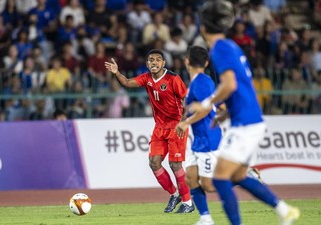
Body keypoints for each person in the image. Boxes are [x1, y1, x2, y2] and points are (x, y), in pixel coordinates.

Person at [188, 1, 300, 225]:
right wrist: (225, 114)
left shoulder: (219, 48)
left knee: (219, 180)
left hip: (246, 124)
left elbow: (229, 85)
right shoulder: (231, 46)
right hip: (247, 118)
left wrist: (207, 104)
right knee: (237, 176)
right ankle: (284, 210)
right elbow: (242, 86)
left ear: (202, 28)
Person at [105, 49, 195, 213]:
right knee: (154, 162)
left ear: (163, 63)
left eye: (157, 60)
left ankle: (188, 202)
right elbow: (126, 83)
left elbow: (186, 99)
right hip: (159, 127)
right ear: (147, 64)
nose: (154, 62)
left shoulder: (173, 78)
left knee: (175, 164)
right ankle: (175, 194)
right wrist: (116, 72)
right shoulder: (146, 78)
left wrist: (183, 121)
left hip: (176, 125)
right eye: (151, 60)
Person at [175, 46, 220, 225]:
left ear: (187, 61)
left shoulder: (201, 81)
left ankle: (243, 177)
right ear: (206, 62)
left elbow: (206, 108)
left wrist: (186, 122)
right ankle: (205, 218)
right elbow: (215, 105)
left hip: (208, 138)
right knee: (191, 178)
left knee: (208, 186)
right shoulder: (198, 82)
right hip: (199, 138)